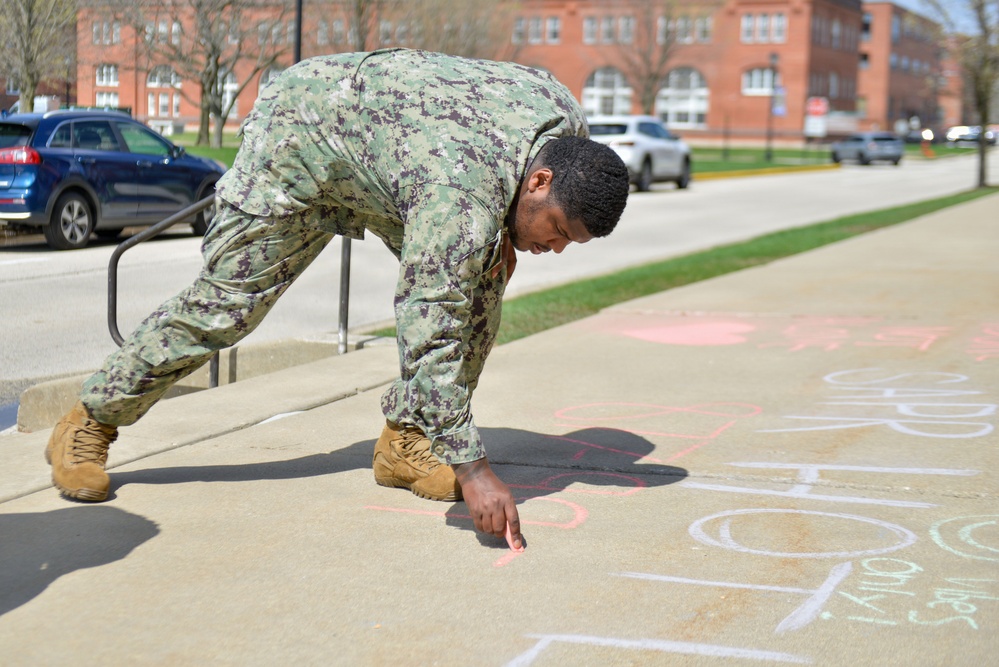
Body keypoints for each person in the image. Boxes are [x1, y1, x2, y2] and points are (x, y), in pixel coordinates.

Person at [45, 49, 629, 551]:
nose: (553, 248)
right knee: (226, 307)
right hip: (300, 142)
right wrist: (472, 468)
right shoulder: (459, 199)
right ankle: (91, 419)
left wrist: (503, 234)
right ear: (540, 181)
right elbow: (430, 328)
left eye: (568, 242)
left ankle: (406, 441)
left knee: (481, 280)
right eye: (555, 230)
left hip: (395, 156)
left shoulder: (564, 127)